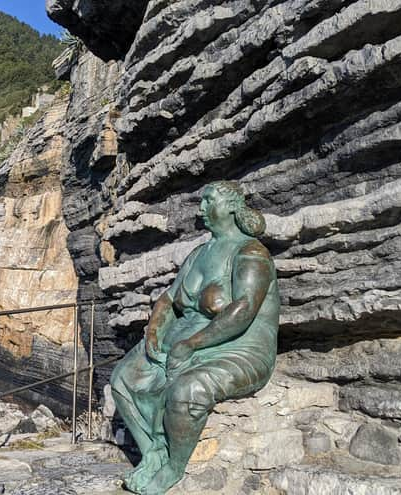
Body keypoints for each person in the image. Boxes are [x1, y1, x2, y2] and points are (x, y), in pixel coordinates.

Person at [110, 180, 280, 494]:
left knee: (188, 390)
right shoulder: (200, 252)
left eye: (207, 201)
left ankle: (174, 467)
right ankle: (153, 454)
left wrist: (191, 344)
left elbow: (242, 310)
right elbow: (169, 298)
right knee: (122, 377)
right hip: (184, 340)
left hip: (238, 348)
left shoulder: (251, 253)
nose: (200, 209)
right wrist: (153, 334)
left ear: (230, 206)